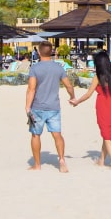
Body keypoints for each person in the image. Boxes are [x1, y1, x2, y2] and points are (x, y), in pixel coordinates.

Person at [70, 50, 111, 170]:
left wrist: (77, 101)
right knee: (107, 134)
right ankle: (101, 160)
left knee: (106, 136)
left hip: (103, 107)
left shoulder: (98, 77)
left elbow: (88, 94)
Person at [25, 42, 76, 172]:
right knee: (57, 134)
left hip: (37, 106)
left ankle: (37, 165)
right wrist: (72, 97)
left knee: (35, 135)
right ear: (51, 52)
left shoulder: (35, 68)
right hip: (54, 106)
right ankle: (62, 160)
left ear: (39, 52)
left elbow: (31, 89)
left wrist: (27, 106)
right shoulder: (58, 68)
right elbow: (68, 85)